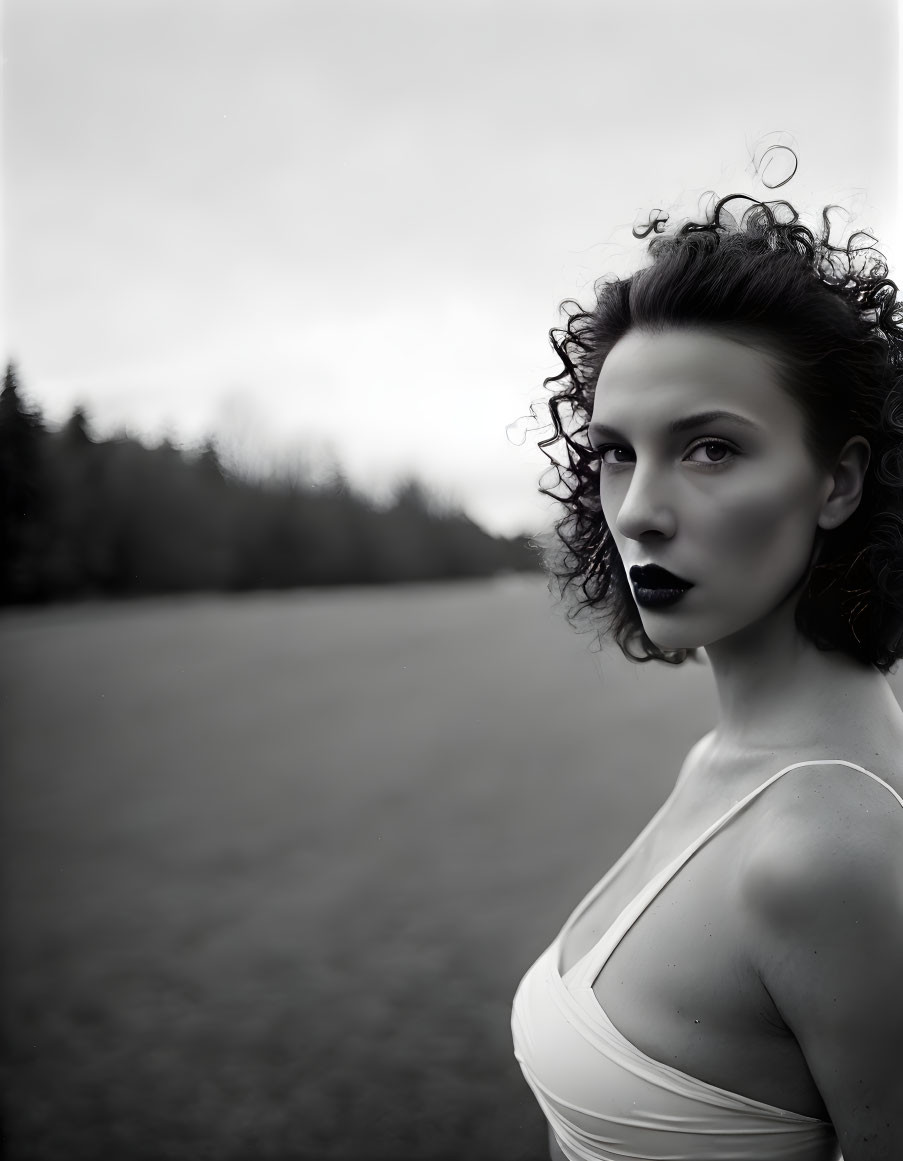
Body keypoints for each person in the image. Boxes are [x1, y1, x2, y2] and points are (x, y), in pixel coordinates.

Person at [510, 191, 903, 1161]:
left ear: (839, 481)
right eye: (614, 454)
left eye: (711, 448)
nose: (638, 510)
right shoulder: (732, 760)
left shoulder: (825, 849)